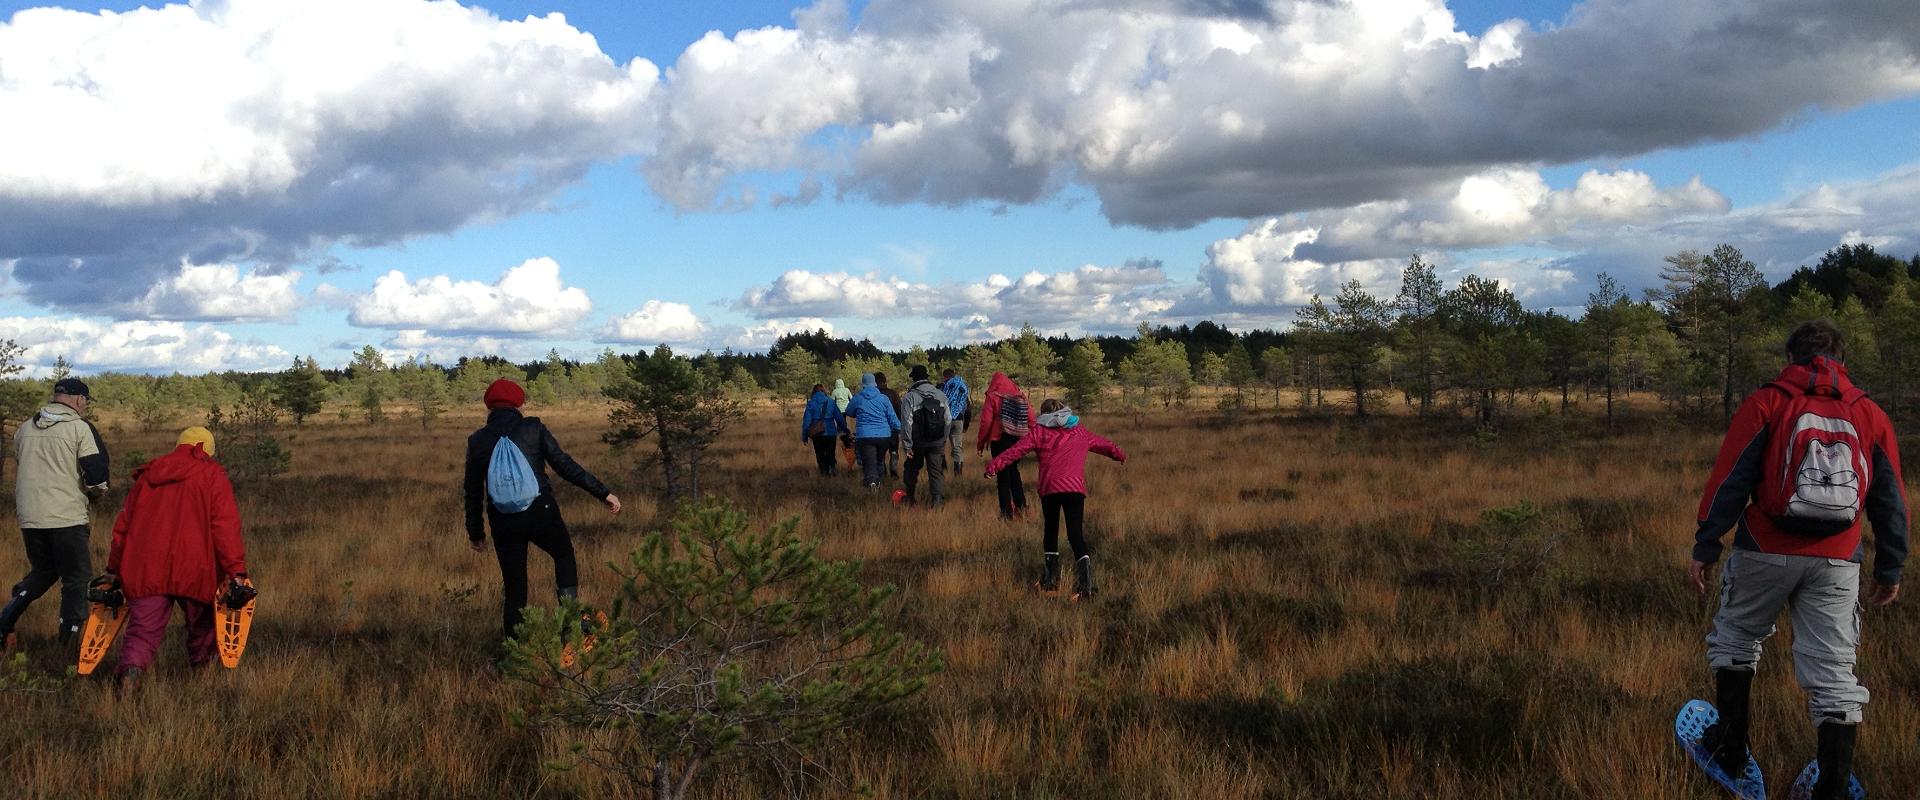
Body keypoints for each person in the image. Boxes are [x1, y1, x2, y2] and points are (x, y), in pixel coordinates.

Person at [1690, 321, 1906, 800]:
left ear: (1790, 356)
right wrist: (1890, 567)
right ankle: (1830, 789)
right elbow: (1889, 499)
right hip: (1838, 559)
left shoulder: (1767, 401)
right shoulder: (1868, 412)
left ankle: (1729, 750)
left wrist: (1706, 545)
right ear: (1841, 359)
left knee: (1736, 641)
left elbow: (1730, 479)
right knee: (1833, 673)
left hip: (1764, 548)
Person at [463, 379, 622, 643]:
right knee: (563, 554)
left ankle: (516, 651)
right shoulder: (533, 427)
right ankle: (569, 627)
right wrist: (602, 492)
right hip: (541, 512)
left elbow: (472, 491)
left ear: (489, 406)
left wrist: (475, 533)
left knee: (515, 588)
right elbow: (564, 465)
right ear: (519, 403)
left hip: (503, 522)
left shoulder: (477, 440)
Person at [102, 427, 246, 691]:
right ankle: (205, 683)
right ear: (206, 450)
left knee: (142, 632)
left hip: (146, 567)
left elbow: (122, 527)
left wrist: (112, 569)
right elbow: (225, 527)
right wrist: (236, 571)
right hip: (196, 568)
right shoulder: (212, 474)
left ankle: (128, 680)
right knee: (203, 628)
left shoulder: (148, 476)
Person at [0, 377, 109, 653]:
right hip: (66, 519)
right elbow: (96, 479)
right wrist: (97, 497)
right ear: (78, 400)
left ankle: (4, 620)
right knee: (76, 579)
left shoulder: (25, 428)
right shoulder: (79, 428)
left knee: (43, 571)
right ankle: (67, 645)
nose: (84, 407)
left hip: (30, 518)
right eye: (85, 402)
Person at [985, 399, 1125, 599]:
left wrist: (993, 467)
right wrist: (1119, 455)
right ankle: (1085, 586)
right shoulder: (1079, 431)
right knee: (1075, 534)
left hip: (1050, 488)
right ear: (1064, 410)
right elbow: (1104, 444)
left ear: (1043, 414)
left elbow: (1014, 452)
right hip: (1075, 489)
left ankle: (1051, 582)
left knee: (1051, 530)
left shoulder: (1039, 432)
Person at [974, 372, 1032, 519]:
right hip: (1018, 440)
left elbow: (986, 422)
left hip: (999, 440)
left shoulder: (993, 396)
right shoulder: (1020, 395)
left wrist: (981, 442)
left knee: (1003, 476)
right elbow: (1031, 418)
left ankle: (1006, 512)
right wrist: (1034, 437)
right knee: (1014, 472)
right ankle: (1021, 506)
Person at [898, 366, 950, 507]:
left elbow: (906, 423)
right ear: (927, 377)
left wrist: (907, 445)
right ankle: (937, 502)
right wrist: (943, 440)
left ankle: (910, 498)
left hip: (917, 442)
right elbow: (948, 420)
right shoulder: (940, 395)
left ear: (913, 378)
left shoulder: (909, 397)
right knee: (936, 471)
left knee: (911, 469)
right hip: (937, 442)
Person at [842, 373, 900, 489]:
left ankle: (872, 484)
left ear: (863, 384)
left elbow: (849, 411)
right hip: (884, 436)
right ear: (874, 384)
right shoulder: (884, 398)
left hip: (865, 436)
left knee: (869, 462)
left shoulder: (858, 398)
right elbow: (892, 417)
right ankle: (881, 482)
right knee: (879, 460)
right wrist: (900, 429)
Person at [800, 383, 847, 477]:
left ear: (814, 392)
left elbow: (806, 422)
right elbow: (839, 418)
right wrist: (845, 429)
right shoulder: (831, 402)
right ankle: (832, 469)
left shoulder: (811, 403)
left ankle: (824, 474)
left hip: (817, 433)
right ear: (824, 391)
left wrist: (805, 436)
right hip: (830, 432)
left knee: (820, 454)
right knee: (830, 453)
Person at [874, 372, 903, 478]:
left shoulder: (874, 395)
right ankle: (894, 469)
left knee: (880, 453)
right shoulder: (893, 393)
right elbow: (899, 410)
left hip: (879, 429)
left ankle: (883, 472)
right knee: (894, 450)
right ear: (885, 381)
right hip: (893, 427)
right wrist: (900, 425)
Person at [941, 369, 970, 472]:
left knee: (940, 444)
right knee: (957, 447)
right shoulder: (963, 387)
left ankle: (942, 469)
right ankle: (958, 473)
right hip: (959, 420)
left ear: (945, 376)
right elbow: (967, 408)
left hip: (944, 420)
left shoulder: (942, 387)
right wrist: (966, 424)